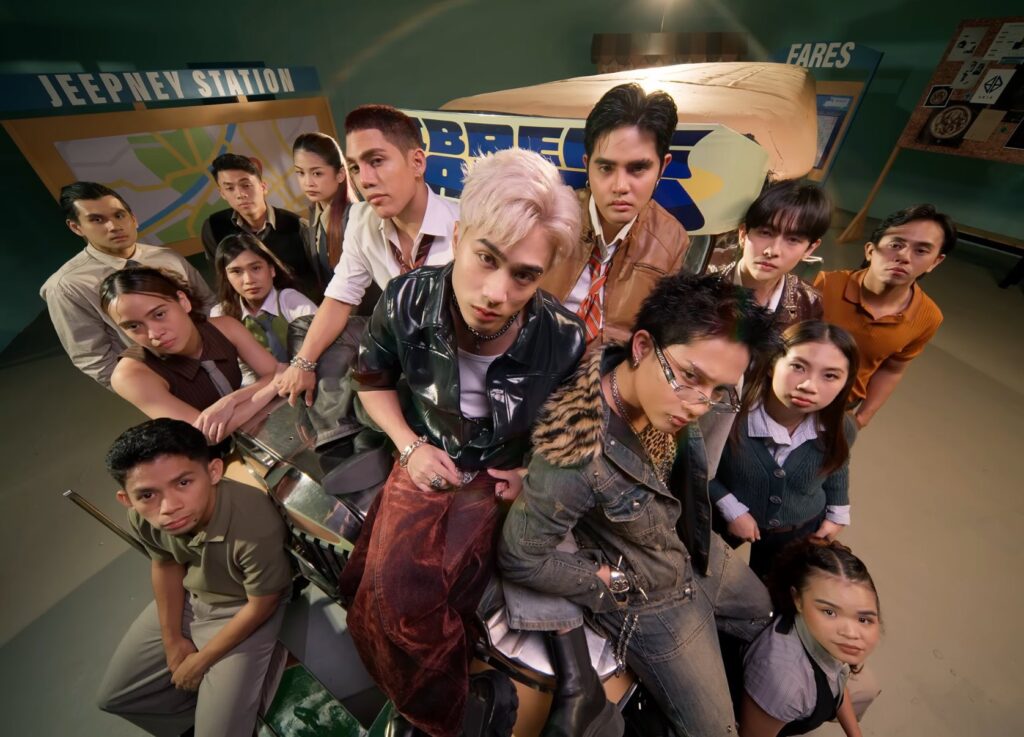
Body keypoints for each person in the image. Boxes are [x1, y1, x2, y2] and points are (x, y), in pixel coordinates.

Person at [336, 148, 586, 737]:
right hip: (424, 453)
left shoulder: (564, 338)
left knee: (416, 598)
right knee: (370, 593)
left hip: (495, 476)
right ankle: (447, 706)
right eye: (486, 259)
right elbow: (371, 380)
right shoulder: (407, 298)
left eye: (524, 275)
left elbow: (567, 434)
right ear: (459, 235)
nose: (496, 292)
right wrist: (408, 445)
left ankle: (440, 718)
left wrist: (529, 475)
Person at [500, 272, 780, 737]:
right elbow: (520, 556)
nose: (699, 405)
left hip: (693, 549)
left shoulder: (659, 392)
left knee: (765, 617)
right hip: (653, 604)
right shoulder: (576, 454)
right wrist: (606, 579)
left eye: (717, 391)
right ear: (644, 347)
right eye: (691, 377)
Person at [96, 418, 292, 737]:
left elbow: (264, 603)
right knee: (116, 696)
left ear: (213, 472)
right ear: (127, 500)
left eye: (184, 483)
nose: (169, 507)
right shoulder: (141, 517)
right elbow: (165, 564)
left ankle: (255, 686)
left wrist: (200, 662)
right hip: (194, 596)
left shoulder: (254, 523)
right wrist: (172, 640)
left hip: (244, 608)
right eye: (147, 495)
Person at [276, 105, 458, 407]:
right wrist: (302, 364)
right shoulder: (362, 220)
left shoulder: (466, 224)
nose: (365, 180)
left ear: (416, 162)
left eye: (376, 161)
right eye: (356, 167)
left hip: (457, 354)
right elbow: (340, 297)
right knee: (307, 333)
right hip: (402, 345)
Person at [538, 82, 691, 345]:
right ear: (588, 166)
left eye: (638, 169)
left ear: (662, 168)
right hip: (536, 354)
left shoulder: (671, 239)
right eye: (606, 168)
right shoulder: (550, 214)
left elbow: (659, 337)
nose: (620, 186)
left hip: (614, 365)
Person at [711, 321, 859, 579]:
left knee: (772, 591)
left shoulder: (842, 427)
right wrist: (731, 508)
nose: (809, 386)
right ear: (772, 364)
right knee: (700, 570)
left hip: (798, 525)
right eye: (798, 367)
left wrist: (837, 513)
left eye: (830, 376)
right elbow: (697, 465)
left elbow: (837, 464)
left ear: (845, 383)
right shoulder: (728, 412)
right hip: (723, 516)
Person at [40, 181, 216, 389]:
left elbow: (207, 305)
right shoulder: (67, 286)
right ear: (76, 227)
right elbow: (93, 357)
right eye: (97, 220)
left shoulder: (166, 257)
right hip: (163, 380)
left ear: (133, 218)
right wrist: (149, 392)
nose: (114, 226)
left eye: (119, 215)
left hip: (213, 357)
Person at [813, 204, 955, 429]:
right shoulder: (820, 285)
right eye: (896, 245)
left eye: (921, 251)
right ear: (870, 250)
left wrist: (861, 419)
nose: (904, 256)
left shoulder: (928, 317)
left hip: (838, 412)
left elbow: (892, 369)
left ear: (935, 262)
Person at [100, 267, 280, 444]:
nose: (154, 334)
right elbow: (204, 436)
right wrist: (271, 387)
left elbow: (277, 373)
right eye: (133, 326)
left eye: (159, 314)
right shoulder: (130, 376)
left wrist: (231, 400)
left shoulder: (226, 327)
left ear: (183, 301)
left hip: (261, 428)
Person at [739, 538, 881, 737]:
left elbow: (836, 679)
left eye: (863, 619)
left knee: (868, 687)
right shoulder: (785, 683)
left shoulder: (826, 639)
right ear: (797, 599)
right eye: (829, 612)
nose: (851, 633)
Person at [711, 180, 828, 327]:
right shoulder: (703, 285)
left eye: (793, 240)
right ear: (743, 234)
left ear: (809, 249)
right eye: (765, 233)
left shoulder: (809, 304)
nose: (772, 251)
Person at [200, 153, 316, 298]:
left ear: (263, 187)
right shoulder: (213, 227)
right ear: (222, 193)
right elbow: (223, 283)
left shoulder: (298, 227)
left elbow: (317, 283)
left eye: (246, 185)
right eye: (230, 188)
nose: (240, 194)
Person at [210, 232, 317, 363]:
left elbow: (324, 343)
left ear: (272, 270)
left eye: (256, 268)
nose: (249, 280)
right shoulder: (220, 315)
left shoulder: (290, 300)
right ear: (226, 277)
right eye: (236, 272)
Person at [292, 132, 353, 298]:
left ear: (340, 174)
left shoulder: (354, 218)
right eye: (300, 173)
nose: (308, 183)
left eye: (317, 173)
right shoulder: (313, 215)